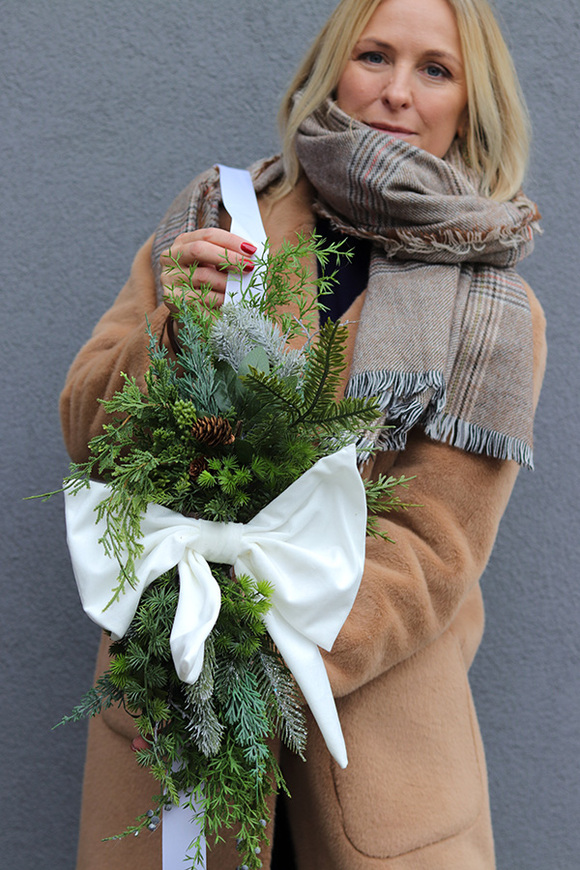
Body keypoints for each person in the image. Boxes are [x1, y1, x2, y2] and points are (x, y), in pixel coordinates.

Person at [60, 0, 546, 868]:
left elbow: (433, 545)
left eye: (434, 69)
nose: (397, 91)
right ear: (332, 68)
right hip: (171, 721)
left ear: (471, 102)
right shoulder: (218, 216)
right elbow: (88, 432)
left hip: (374, 755)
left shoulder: (493, 307)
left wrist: (255, 658)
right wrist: (173, 332)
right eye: (373, 56)